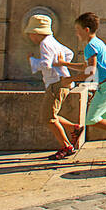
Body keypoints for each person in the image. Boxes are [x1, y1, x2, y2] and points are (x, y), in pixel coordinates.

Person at [60, 12, 106, 161]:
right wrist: (65, 64)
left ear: (86, 30)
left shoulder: (90, 46)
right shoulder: (98, 43)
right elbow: (86, 67)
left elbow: (90, 72)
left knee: (91, 119)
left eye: (77, 29)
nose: (76, 33)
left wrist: (70, 79)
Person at [26, 14, 82, 160]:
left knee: (48, 117)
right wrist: (62, 63)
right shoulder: (53, 41)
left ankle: (66, 146)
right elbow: (69, 53)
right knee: (51, 114)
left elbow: (45, 64)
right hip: (62, 81)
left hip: (55, 83)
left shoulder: (44, 44)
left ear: (36, 33)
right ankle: (73, 128)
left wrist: (32, 60)